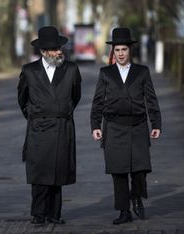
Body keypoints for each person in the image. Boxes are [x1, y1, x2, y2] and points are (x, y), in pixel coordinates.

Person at [90, 27, 162, 225]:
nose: (121, 53)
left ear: (130, 50)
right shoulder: (105, 73)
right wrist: (95, 125)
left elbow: (151, 99)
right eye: (117, 50)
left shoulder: (142, 72)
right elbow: (97, 102)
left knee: (140, 170)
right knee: (119, 172)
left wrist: (156, 123)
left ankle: (137, 195)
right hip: (113, 127)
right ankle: (124, 211)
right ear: (113, 52)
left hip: (138, 126)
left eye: (124, 49)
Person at [17, 26, 82, 225]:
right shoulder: (29, 71)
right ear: (44, 52)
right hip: (39, 128)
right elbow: (22, 99)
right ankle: (38, 214)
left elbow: (75, 96)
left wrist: (62, 112)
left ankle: (55, 214)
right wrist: (35, 116)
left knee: (57, 171)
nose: (58, 51)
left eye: (59, 48)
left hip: (62, 126)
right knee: (39, 172)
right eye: (54, 49)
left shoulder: (71, 69)